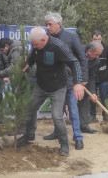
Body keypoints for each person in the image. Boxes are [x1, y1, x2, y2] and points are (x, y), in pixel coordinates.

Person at [16, 27, 84, 156]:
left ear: (43, 39)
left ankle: (64, 144)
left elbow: (74, 62)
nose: (33, 46)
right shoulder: (37, 46)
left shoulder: (58, 46)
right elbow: (33, 54)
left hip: (58, 87)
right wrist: (29, 63)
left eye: (35, 44)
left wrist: (78, 83)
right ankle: (29, 135)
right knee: (30, 109)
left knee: (57, 116)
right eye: (32, 44)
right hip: (41, 85)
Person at [43, 13, 88, 151]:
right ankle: (57, 132)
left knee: (73, 111)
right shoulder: (46, 38)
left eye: (50, 24)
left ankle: (78, 138)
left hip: (70, 82)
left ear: (58, 24)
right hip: (55, 82)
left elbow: (82, 58)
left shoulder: (71, 37)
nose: (47, 27)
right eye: (46, 24)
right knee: (57, 111)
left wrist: (81, 80)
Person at [90, 30, 108, 122]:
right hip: (92, 77)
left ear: (102, 38)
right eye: (95, 39)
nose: (97, 41)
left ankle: (106, 116)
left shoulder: (107, 49)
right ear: (91, 39)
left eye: (99, 39)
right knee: (92, 97)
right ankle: (92, 116)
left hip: (104, 77)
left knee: (104, 97)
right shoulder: (89, 49)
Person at [79, 41, 103, 133]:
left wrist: (92, 92)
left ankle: (83, 126)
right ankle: (58, 131)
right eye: (96, 54)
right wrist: (76, 81)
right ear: (89, 51)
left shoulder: (96, 61)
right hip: (70, 82)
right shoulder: (78, 51)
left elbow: (92, 77)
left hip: (84, 84)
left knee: (85, 102)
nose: (97, 57)